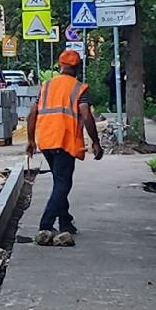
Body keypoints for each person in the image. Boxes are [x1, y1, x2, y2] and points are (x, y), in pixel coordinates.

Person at [24, 49, 103, 247]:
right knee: (63, 183)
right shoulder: (79, 88)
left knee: (59, 180)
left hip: (46, 140)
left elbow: (32, 113)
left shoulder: (47, 86)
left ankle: (65, 221)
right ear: (77, 68)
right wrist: (95, 141)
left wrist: (31, 140)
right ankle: (46, 224)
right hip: (65, 141)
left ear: (60, 66)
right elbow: (86, 115)